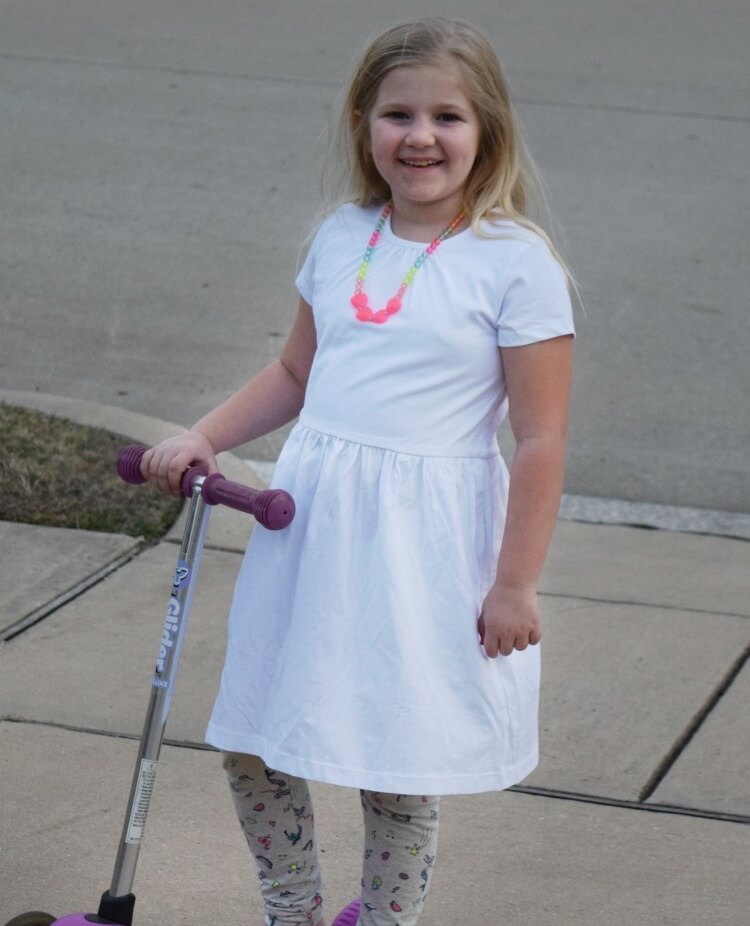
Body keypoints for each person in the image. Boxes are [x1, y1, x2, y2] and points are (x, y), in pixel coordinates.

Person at [141, 17, 575, 926]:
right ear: (363, 124)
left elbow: (539, 438)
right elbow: (298, 371)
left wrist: (515, 584)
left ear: (486, 128)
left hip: (427, 548)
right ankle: (291, 911)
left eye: (448, 116)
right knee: (259, 739)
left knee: (399, 760)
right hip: (313, 529)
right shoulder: (342, 236)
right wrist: (205, 437)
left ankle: (383, 920)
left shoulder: (514, 263)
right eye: (398, 114)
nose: (421, 136)